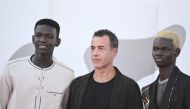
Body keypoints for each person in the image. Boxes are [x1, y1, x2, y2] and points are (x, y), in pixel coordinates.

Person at [0, 18, 74, 109]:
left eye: (49, 36)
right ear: (33, 38)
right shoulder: (11, 68)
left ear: (57, 42)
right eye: (38, 35)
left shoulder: (67, 74)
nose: (42, 40)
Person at [66, 29, 143, 109]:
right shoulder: (77, 84)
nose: (95, 53)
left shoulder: (130, 87)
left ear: (114, 52)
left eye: (101, 48)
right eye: (93, 48)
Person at [142, 30, 190, 109]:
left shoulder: (187, 85)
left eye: (165, 49)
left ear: (177, 52)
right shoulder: (146, 91)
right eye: (155, 49)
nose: (158, 53)